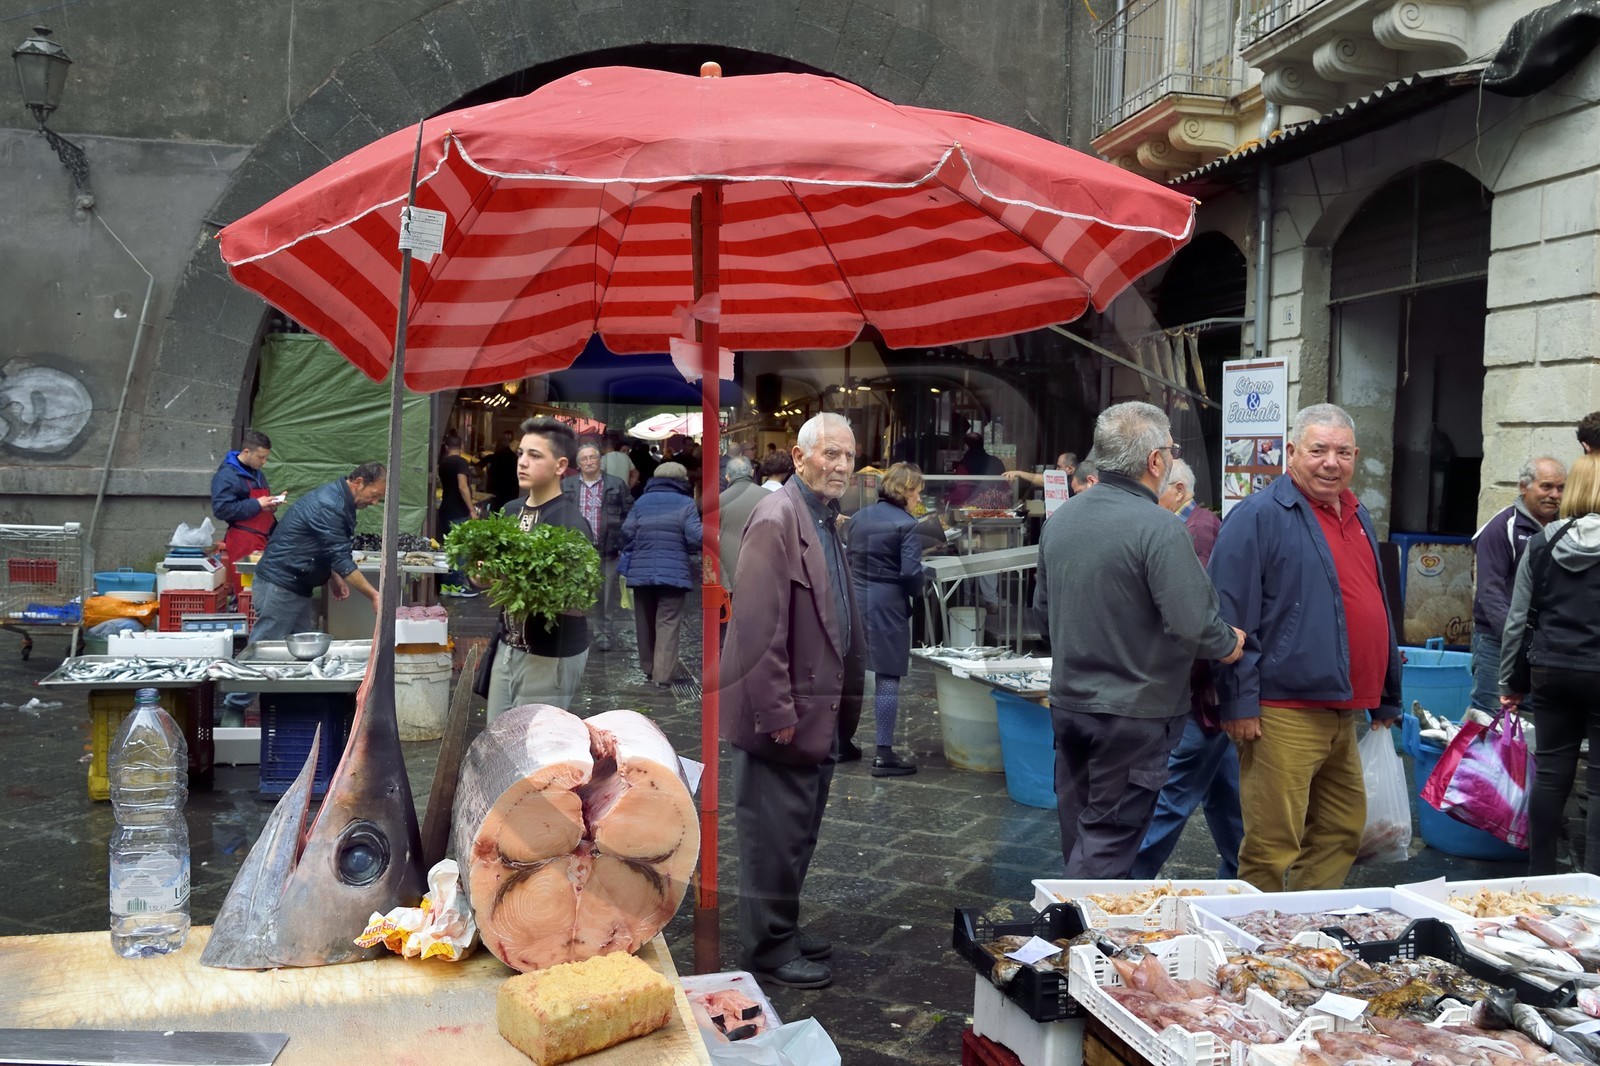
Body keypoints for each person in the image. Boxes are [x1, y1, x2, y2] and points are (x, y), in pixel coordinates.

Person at [1034, 402, 1243, 878]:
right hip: (1132, 714)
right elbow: (1194, 623)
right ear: (1154, 462)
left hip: (1072, 707)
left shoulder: (1060, 521)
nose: (1172, 457)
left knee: (1083, 836)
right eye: (1170, 449)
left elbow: (1043, 614)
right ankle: (1072, 944)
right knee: (1107, 847)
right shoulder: (1161, 528)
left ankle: (1085, 935)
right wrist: (1229, 641)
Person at [1210, 403, 1403, 893]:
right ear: (1292, 452)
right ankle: (1253, 951)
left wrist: (1385, 695)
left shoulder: (1359, 515)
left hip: (1346, 707)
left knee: (1341, 831)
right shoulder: (1257, 516)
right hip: (1281, 710)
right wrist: (1238, 701)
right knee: (1273, 844)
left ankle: (1299, 936)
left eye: (1342, 452)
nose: (1330, 462)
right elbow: (1228, 620)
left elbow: (1376, 604)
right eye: (1318, 450)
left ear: (1356, 456)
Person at [721, 412, 864, 990]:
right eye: (829, 454)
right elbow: (756, 628)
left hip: (817, 712)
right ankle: (770, 948)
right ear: (800, 458)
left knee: (797, 832)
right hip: (784, 715)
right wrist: (776, 711)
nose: (840, 465)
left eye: (848, 456)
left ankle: (780, 928)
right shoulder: (777, 515)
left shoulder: (821, 516)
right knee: (773, 838)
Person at [1131, 457, 1241, 879]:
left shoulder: (1195, 530)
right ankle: (1243, 877)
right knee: (1224, 792)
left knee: (1171, 794)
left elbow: (1195, 618)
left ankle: (1128, 882)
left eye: (1154, 488)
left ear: (1177, 490)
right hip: (1211, 692)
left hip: (1199, 691)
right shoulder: (1193, 526)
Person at [1501, 453, 1600, 875]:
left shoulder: (1543, 542)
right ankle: (1594, 887)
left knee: (1551, 773)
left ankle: (1539, 877)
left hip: (1550, 670)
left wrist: (1510, 680)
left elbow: (1519, 619)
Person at [483, 418, 597, 722]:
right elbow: (489, 580)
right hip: (507, 646)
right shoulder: (509, 511)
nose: (522, 462)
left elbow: (581, 603)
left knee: (534, 749)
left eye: (535, 456)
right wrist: (482, 573)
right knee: (497, 740)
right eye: (521, 453)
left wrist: (521, 581)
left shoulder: (570, 523)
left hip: (550, 654)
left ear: (560, 466)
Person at [845, 462, 932, 777]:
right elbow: (910, 572)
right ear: (907, 490)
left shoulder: (858, 517)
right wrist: (918, 590)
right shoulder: (908, 524)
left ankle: (840, 742)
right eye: (917, 492)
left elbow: (849, 557)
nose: (918, 498)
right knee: (887, 677)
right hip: (887, 604)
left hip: (855, 599)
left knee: (849, 672)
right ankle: (883, 753)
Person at [249, 463, 386, 642]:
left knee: (301, 647)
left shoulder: (338, 499)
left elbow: (325, 545)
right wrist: (374, 595)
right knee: (266, 647)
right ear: (359, 482)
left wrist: (333, 576)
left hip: (296, 583)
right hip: (281, 583)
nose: (375, 502)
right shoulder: (330, 505)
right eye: (374, 495)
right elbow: (341, 558)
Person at [1470, 456, 1565, 710]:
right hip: (1496, 642)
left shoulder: (1565, 528)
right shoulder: (1502, 527)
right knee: (1491, 719)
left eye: (1561, 488)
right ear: (1524, 487)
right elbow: (1491, 595)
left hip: (1546, 648)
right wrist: (1519, 646)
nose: (1555, 495)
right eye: (1546, 487)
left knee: (1534, 723)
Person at [619, 462, 702, 687]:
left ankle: (648, 668)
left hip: (641, 570)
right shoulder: (686, 503)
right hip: (674, 572)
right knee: (668, 622)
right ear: (682, 480)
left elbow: (627, 531)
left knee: (644, 620)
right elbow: (695, 536)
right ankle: (662, 676)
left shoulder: (642, 501)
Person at [562, 440, 633, 651]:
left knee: (605, 595)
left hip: (608, 549)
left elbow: (630, 512)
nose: (589, 461)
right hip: (575, 550)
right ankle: (573, 634)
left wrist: (622, 540)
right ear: (578, 464)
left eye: (593, 457)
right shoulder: (567, 485)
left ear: (600, 461)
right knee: (573, 594)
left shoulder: (616, 484)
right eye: (584, 458)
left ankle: (603, 634)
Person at [211, 429, 281, 597]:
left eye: (266, 457)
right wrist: (257, 503)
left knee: (265, 592)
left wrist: (271, 505)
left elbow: (258, 505)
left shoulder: (257, 472)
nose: (264, 462)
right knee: (249, 594)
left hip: (265, 539)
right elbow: (222, 509)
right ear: (246, 452)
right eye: (261, 457)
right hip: (244, 543)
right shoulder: (226, 475)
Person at [436, 432, 480, 598]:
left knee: (449, 549)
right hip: (458, 511)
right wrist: (472, 510)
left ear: (447, 447)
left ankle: (446, 585)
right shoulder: (461, 462)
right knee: (461, 550)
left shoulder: (443, 463)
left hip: (446, 509)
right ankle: (456, 585)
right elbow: (463, 486)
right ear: (462, 447)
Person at [717, 455, 760, 591]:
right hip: (762, 570)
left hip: (729, 573)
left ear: (727, 476)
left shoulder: (718, 501)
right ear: (752, 472)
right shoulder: (770, 497)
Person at [1001, 451, 1077, 490]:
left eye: (1059, 467)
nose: (1056, 470)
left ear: (1070, 469)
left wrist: (1018, 473)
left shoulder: (1072, 482)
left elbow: (1042, 480)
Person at [484, 430, 520, 511]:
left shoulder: (494, 457)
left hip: (496, 492)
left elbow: (481, 468)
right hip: (511, 492)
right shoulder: (514, 458)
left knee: (496, 514)